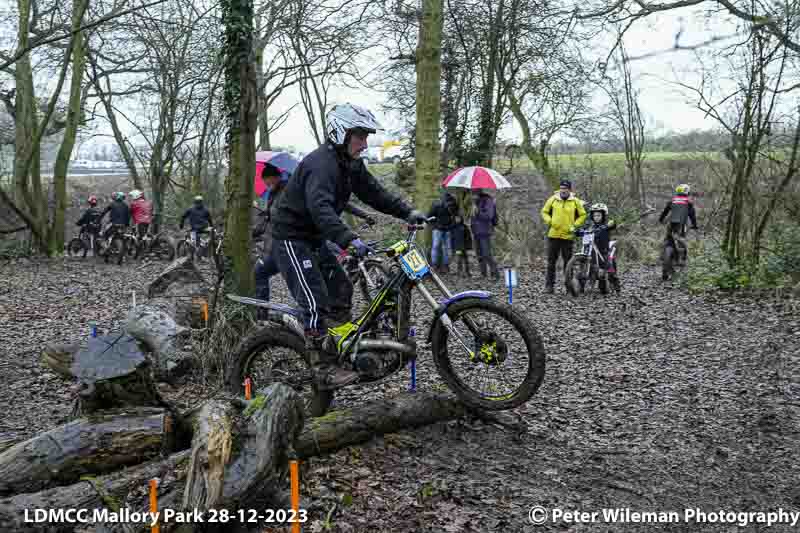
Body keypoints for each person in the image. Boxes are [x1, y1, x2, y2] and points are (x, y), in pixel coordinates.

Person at [270, 102, 427, 391]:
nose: (365, 143)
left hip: (315, 238)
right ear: (341, 132)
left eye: (367, 136)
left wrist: (407, 212)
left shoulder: (350, 163)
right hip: (291, 238)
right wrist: (349, 239)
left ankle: (338, 348)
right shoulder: (321, 165)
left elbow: (374, 193)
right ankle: (322, 368)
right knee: (314, 301)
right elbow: (321, 208)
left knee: (342, 287)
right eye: (360, 136)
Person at [540, 179, 587, 293]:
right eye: (561, 188)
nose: (563, 190)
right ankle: (549, 286)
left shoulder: (575, 201)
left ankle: (568, 287)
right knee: (551, 262)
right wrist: (550, 221)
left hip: (568, 236)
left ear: (570, 190)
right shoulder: (553, 199)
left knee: (568, 263)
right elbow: (544, 212)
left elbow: (583, 215)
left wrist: (574, 225)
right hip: (554, 235)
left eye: (565, 188)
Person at [581, 202, 620, 292]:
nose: (596, 217)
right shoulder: (591, 226)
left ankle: (615, 282)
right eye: (595, 216)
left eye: (599, 215)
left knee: (608, 266)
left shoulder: (606, 226)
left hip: (604, 250)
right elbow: (583, 229)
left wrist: (611, 223)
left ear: (603, 216)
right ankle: (581, 284)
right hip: (591, 250)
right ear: (592, 216)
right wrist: (578, 231)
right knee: (586, 264)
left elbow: (613, 224)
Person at [659, 183, 698, 266]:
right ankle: (683, 259)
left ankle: (662, 255)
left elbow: (665, 212)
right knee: (681, 239)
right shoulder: (688, 202)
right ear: (687, 192)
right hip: (681, 224)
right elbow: (692, 215)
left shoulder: (672, 200)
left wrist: (661, 220)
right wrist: (694, 225)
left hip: (671, 223)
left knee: (667, 238)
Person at [470, 189, 500, 280]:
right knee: (479, 254)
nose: (472, 194)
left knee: (486, 253)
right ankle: (483, 274)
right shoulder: (476, 202)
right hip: (476, 230)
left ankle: (495, 274)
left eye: (473, 192)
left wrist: (477, 211)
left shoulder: (487, 200)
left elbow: (489, 216)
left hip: (485, 231)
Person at [427, 190, 457, 273]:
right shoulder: (438, 204)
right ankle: (437, 265)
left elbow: (455, 216)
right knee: (439, 247)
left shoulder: (452, 204)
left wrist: (435, 225)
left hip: (445, 229)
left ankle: (442, 266)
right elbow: (430, 216)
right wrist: (435, 225)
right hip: (439, 229)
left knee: (442, 248)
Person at [450, 213, 473, 277]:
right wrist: (452, 247)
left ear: (461, 218)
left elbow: (469, 238)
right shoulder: (453, 228)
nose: (457, 219)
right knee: (459, 259)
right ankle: (459, 272)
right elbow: (452, 239)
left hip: (465, 247)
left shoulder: (465, 227)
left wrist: (469, 247)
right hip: (458, 247)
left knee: (466, 260)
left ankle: (467, 271)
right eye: (456, 218)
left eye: (459, 218)